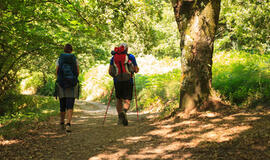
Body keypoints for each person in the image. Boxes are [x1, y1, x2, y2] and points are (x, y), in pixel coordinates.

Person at [108, 43, 139, 126]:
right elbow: (136, 70)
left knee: (119, 99)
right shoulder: (131, 57)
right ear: (127, 49)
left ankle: (119, 118)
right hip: (128, 80)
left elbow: (110, 71)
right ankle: (124, 111)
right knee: (127, 99)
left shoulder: (113, 58)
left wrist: (115, 76)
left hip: (117, 81)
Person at [55, 44, 79, 132]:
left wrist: (60, 79)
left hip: (61, 84)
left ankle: (61, 122)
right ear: (71, 50)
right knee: (70, 104)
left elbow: (57, 71)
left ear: (64, 50)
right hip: (72, 84)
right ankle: (68, 124)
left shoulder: (59, 59)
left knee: (62, 104)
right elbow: (77, 71)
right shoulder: (74, 59)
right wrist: (73, 79)